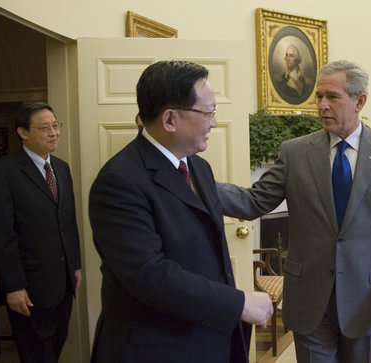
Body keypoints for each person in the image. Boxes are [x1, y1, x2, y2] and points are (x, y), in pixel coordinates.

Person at [217, 60, 371, 362]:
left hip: (365, 298)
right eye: (318, 97)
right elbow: (254, 201)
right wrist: (194, 180)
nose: (322, 105)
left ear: (359, 100)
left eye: (333, 97)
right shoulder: (295, 152)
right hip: (309, 297)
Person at [88, 60, 273, 362]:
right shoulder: (119, 181)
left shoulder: (199, 167)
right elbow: (150, 275)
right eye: (208, 112)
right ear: (170, 119)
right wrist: (237, 304)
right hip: (157, 348)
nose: (214, 122)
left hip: (207, 338)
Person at [0, 102, 82, 362]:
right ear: (23, 132)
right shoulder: (3, 171)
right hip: (28, 287)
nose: (54, 133)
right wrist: (13, 286)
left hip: (63, 282)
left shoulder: (62, 168)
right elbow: (2, 234)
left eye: (56, 126)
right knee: (35, 354)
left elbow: (68, 221)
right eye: (45, 128)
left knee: (54, 349)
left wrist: (74, 265)